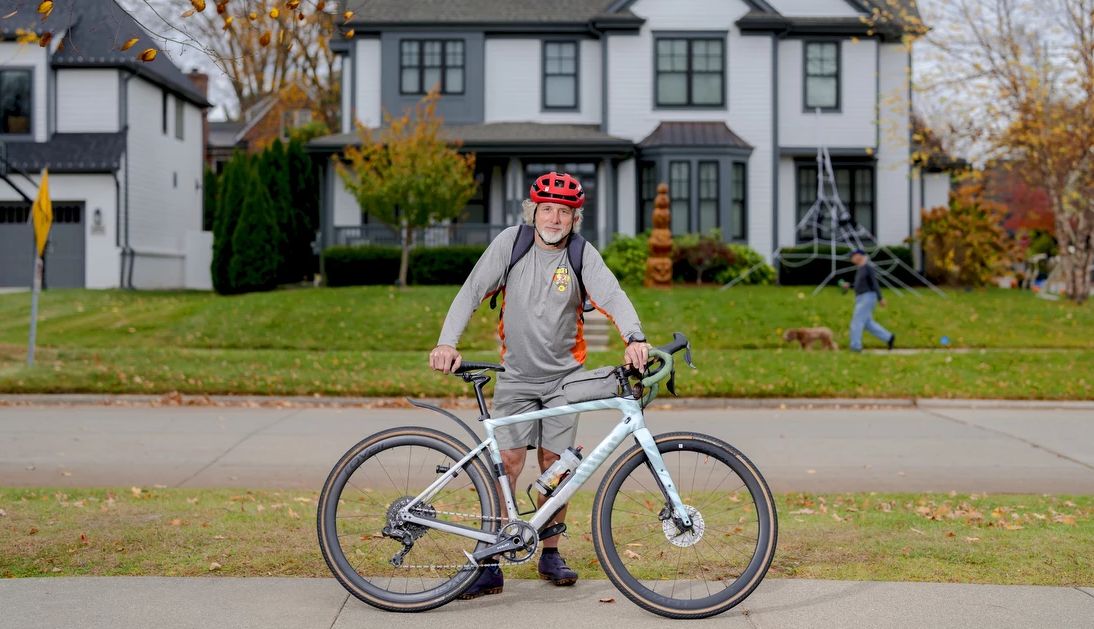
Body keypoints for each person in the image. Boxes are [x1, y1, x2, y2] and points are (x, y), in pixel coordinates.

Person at [429, 171, 649, 599]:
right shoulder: (512, 244)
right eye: (547, 210)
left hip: (564, 378)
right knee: (507, 462)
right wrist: (446, 342)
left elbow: (614, 296)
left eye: (564, 212)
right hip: (515, 375)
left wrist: (635, 337)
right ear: (534, 212)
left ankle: (550, 553)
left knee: (557, 464)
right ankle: (490, 559)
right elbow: (471, 291)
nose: (554, 219)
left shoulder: (582, 255)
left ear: (574, 218)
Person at [849, 249, 895, 352]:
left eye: (852, 256)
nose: (851, 259)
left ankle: (855, 347)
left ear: (859, 256)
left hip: (868, 297)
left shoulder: (868, 267)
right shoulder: (860, 269)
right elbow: (859, 284)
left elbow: (874, 283)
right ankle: (889, 337)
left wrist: (880, 298)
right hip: (860, 297)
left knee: (857, 321)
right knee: (868, 323)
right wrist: (849, 285)